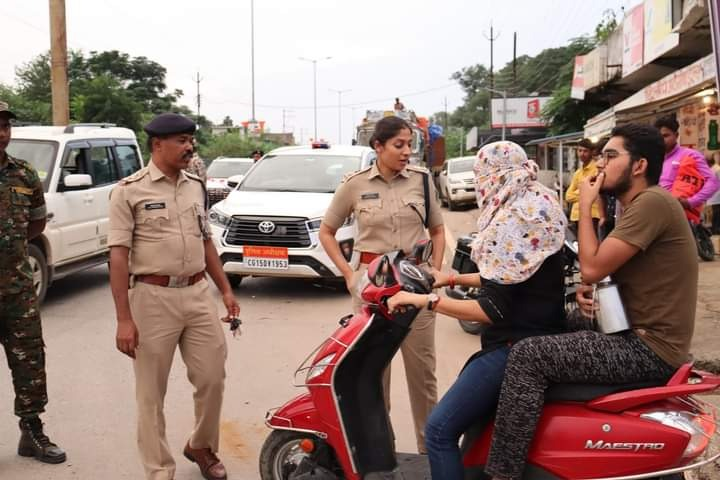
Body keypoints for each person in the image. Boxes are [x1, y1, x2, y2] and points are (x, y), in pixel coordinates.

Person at [484, 123, 697, 480]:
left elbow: (592, 265)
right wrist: (591, 290)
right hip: (632, 330)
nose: (600, 164)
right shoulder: (633, 207)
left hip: (646, 347)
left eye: (611, 156)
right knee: (553, 318)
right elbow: (605, 271)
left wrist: (586, 204)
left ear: (639, 165)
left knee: (527, 355)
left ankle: (502, 473)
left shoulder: (653, 202)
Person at [386, 141, 568, 480]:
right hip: (542, 333)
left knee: (439, 430)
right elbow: (514, 275)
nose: (480, 184)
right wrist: (449, 278)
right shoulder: (538, 204)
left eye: (481, 176)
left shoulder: (511, 222)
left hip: (515, 348)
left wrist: (423, 300)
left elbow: (492, 309)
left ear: (494, 175)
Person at [108, 112, 240, 480]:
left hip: (198, 293)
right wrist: (123, 318)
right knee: (151, 394)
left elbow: (206, 241)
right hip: (152, 297)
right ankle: (159, 470)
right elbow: (117, 256)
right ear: (157, 145)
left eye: (190, 139)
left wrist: (226, 290)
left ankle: (201, 445)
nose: (189, 146)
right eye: (181, 140)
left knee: (212, 376)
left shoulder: (196, 185)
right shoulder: (128, 191)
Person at [319, 115, 445, 453]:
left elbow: (437, 229)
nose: (407, 152)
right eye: (399, 145)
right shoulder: (355, 184)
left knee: (423, 376)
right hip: (373, 286)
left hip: (415, 285)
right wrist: (348, 274)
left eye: (410, 145)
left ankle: (429, 453)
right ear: (378, 146)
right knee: (373, 377)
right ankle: (379, 454)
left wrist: (434, 269)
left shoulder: (421, 181)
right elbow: (326, 231)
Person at [0, 101, 66, 464]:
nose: (1, 133)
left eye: (6, 126)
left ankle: (32, 432)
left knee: (29, 365)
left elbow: (35, 226)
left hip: (17, 291)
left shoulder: (24, 174)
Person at [655, 116, 719, 214]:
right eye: (658, 137)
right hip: (658, 213)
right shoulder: (653, 158)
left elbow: (713, 183)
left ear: (676, 135)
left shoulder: (691, 155)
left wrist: (691, 202)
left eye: (665, 136)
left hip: (682, 216)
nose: (661, 140)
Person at [565, 138, 605, 234]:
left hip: (592, 215)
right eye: (580, 150)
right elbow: (568, 196)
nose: (582, 154)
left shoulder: (596, 169)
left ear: (591, 152)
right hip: (576, 215)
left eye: (585, 151)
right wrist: (585, 194)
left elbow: (596, 193)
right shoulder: (578, 173)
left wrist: (582, 193)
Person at [708, 153, 720, 234]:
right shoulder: (717, 169)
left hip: (714, 195)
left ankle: (714, 229)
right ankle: (716, 229)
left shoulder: (712, 168)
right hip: (717, 195)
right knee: (717, 213)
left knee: (716, 212)